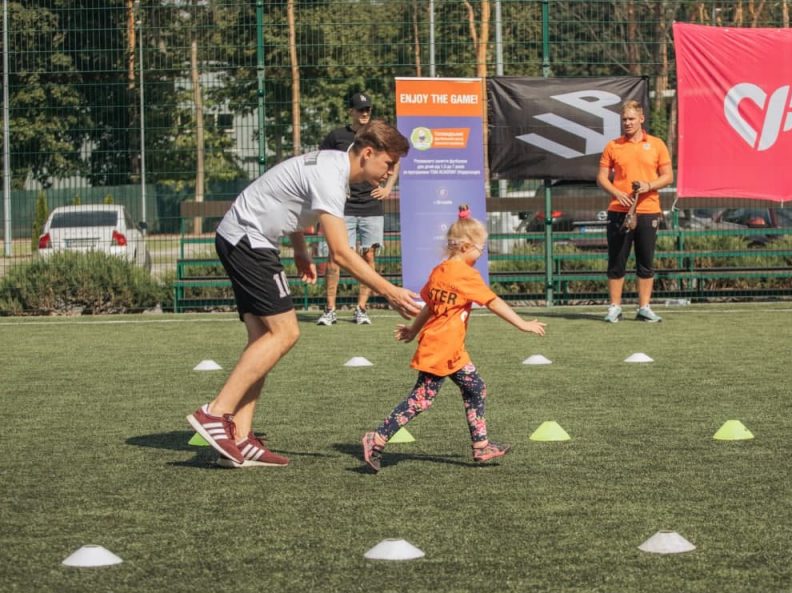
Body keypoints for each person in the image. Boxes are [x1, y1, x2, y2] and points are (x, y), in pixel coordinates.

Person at [187, 120, 420, 468]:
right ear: (368, 153)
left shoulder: (331, 167)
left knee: (263, 339)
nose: (388, 174)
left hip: (245, 236)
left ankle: (240, 436)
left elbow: (290, 201)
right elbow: (341, 253)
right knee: (286, 332)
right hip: (248, 239)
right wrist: (389, 291)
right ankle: (215, 413)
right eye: (388, 164)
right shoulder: (332, 177)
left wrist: (299, 250)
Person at [360, 215, 546, 473]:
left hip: (450, 348)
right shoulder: (466, 275)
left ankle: (481, 446)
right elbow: (494, 303)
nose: (482, 253)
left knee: (475, 388)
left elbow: (429, 307)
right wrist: (522, 323)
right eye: (481, 248)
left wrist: (414, 329)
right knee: (421, 399)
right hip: (441, 347)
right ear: (466, 246)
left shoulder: (440, 270)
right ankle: (377, 438)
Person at [316, 91, 399, 326]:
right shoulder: (337, 136)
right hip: (342, 206)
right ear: (350, 111)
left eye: (368, 110)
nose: (365, 113)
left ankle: (361, 309)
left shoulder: (376, 135)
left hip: (371, 206)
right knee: (336, 257)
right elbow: (321, 162)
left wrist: (388, 187)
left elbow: (396, 160)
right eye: (360, 109)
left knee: (368, 256)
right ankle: (330, 309)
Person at [596, 100, 674, 323]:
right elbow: (601, 177)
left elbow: (668, 176)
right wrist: (617, 193)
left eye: (631, 119)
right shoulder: (613, 145)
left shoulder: (657, 144)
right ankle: (614, 307)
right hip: (619, 211)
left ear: (641, 119)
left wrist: (649, 185)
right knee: (616, 260)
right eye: (624, 120)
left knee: (646, 261)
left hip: (649, 210)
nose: (627, 123)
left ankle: (644, 307)